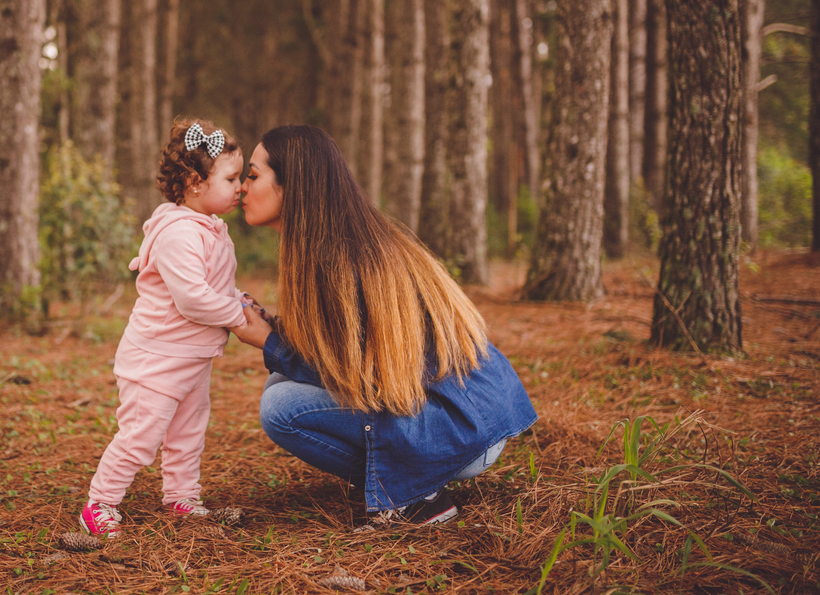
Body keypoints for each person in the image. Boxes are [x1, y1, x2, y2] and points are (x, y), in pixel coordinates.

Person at [231, 124, 537, 531]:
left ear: (293, 185)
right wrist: (278, 330)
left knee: (280, 409)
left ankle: (417, 499)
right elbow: (345, 350)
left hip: (460, 426)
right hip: (464, 413)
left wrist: (270, 343)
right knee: (280, 381)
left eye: (253, 176)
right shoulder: (340, 242)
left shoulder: (341, 261)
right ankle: (404, 480)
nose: (241, 187)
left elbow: (362, 377)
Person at [80, 118, 249, 537]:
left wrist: (240, 299)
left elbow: (214, 286)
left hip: (191, 356)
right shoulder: (179, 234)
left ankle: (181, 496)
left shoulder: (210, 228)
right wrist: (238, 315)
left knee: (188, 432)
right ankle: (100, 503)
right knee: (141, 435)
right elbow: (193, 298)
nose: (241, 187)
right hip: (156, 358)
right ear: (195, 182)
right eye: (231, 178)